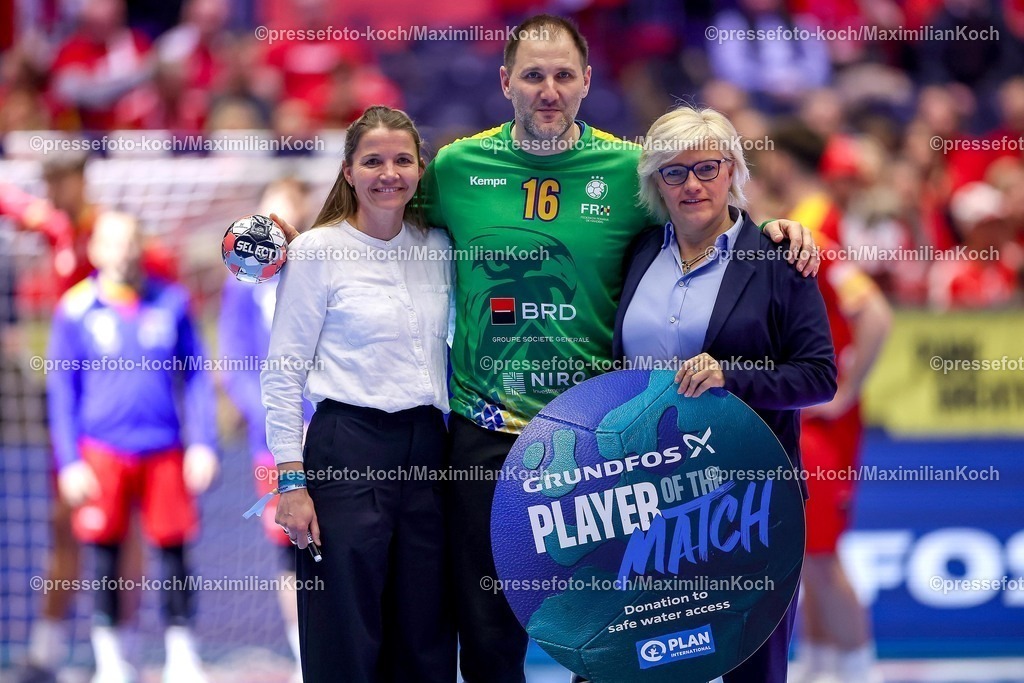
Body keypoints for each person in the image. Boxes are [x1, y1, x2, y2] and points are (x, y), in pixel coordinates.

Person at [417, 14, 820, 683]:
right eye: (533, 75)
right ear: (504, 81)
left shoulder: (629, 170)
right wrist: (295, 232)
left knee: (619, 637)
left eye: (563, 75)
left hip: (600, 446)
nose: (549, 89)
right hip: (487, 435)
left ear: (586, 82)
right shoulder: (458, 167)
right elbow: (380, 213)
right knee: (488, 635)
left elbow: (706, 212)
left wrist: (770, 230)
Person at [613, 105, 838, 683]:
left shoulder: (779, 259)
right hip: (647, 499)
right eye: (674, 171)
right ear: (654, 183)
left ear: (733, 169)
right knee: (643, 665)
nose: (692, 184)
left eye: (708, 168)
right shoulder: (636, 254)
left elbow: (818, 376)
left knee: (752, 670)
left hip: (748, 500)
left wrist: (730, 375)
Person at [261, 105, 455, 683]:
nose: (388, 173)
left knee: (425, 637)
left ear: (421, 169)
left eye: (401, 160)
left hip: (428, 447)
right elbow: (282, 371)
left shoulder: (441, 247)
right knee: (345, 637)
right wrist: (291, 483)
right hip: (346, 449)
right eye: (373, 161)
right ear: (348, 171)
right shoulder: (316, 252)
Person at [45, 211, 218, 683]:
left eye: (130, 241)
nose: (123, 250)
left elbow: (198, 377)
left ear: (141, 245)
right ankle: (111, 661)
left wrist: (203, 442)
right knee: (103, 552)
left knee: (175, 550)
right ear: (96, 251)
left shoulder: (172, 302)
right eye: (113, 242)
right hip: (101, 452)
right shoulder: (75, 310)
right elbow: (62, 389)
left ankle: (181, 658)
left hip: (165, 449)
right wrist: (70, 460)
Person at [762, 120, 893, 683]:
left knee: (820, 555)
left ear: (782, 163)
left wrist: (845, 393)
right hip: (802, 413)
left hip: (822, 421)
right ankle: (819, 667)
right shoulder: (804, 223)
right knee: (804, 555)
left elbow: (877, 315)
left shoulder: (812, 230)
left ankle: (862, 672)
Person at [218, 178, 313, 683]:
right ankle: (304, 659)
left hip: (330, 436)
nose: (275, 230)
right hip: (274, 447)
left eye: (287, 218)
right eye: (268, 219)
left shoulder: (322, 272)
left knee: (340, 544)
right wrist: (277, 424)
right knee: (290, 549)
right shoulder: (241, 287)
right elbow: (234, 366)